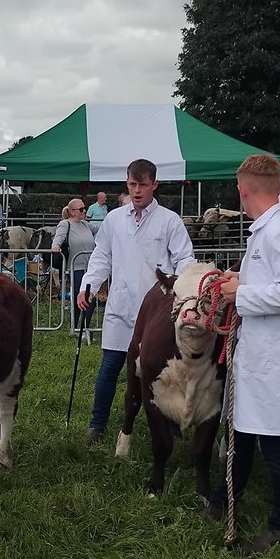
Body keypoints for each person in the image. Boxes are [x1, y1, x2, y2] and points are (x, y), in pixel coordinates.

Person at [206, 154, 280, 555]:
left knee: (275, 447)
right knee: (242, 433)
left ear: (243, 189)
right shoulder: (265, 232)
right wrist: (243, 280)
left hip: (279, 365)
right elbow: (276, 283)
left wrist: (240, 293)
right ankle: (225, 501)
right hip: (261, 360)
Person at [79, 159, 195, 443]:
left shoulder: (170, 220)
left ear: (154, 184)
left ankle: (168, 423)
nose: (137, 190)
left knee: (162, 372)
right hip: (121, 305)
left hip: (157, 312)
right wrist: (88, 285)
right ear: (126, 183)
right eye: (132, 184)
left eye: (143, 184)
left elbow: (185, 260)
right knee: (109, 368)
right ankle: (98, 423)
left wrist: (182, 292)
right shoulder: (114, 219)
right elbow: (101, 256)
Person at [52, 197, 97, 339]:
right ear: (72, 212)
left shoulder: (86, 225)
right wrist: (56, 245)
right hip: (75, 267)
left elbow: (101, 231)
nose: (84, 211)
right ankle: (80, 329)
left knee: (87, 298)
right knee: (84, 298)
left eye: (84, 208)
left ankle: (81, 328)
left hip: (89, 268)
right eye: (81, 209)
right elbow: (58, 237)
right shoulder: (65, 224)